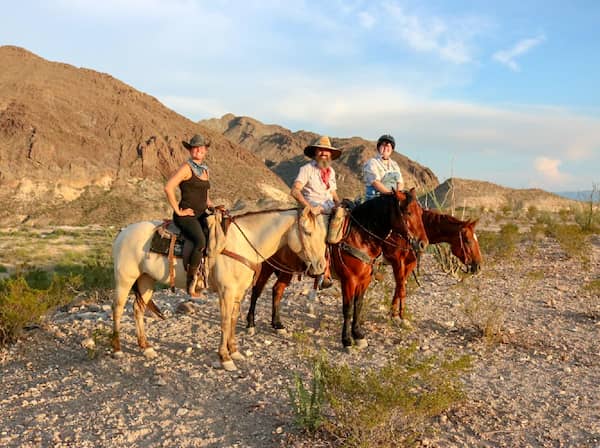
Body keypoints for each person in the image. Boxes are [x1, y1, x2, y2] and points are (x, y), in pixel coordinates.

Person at [164, 134, 214, 298]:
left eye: (201, 147)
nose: (198, 150)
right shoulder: (186, 168)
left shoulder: (206, 170)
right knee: (200, 241)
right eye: (195, 147)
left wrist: (210, 204)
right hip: (186, 215)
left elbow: (205, 194)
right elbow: (168, 187)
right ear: (191, 150)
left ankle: (208, 276)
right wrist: (179, 211)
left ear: (205, 150)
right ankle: (190, 282)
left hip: (201, 214)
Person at [291, 135, 341, 288]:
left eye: (327, 151)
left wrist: (340, 204)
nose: (324, 154)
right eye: (321, 151)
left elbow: (333, 193)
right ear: (316, 153)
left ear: (330, 154)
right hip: (313, 208)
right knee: (320, 230)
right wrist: (309, 207)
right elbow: (295, 190)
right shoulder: (306, 169)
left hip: (328, 207)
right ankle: (319, 269)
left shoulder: (331, 171)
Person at [363, 134, 404, 200]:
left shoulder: (395, 165)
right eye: (383, 145)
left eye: (388, 146)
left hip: (393, 198)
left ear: (392, 149)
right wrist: (390, 194)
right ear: (379, 147)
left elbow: (400, 182)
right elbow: (375, 182)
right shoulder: (372, 162)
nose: (385, 148)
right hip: (376, 199)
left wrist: (398, 194)